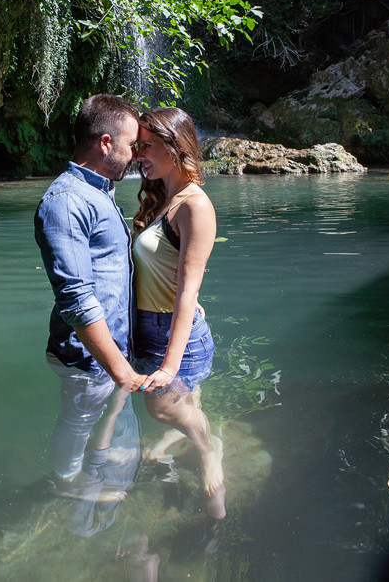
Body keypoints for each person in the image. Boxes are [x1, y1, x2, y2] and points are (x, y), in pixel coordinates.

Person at [35, 94, 147, 498]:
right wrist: (122, 372)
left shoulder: (98, 192)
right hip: (89, 361)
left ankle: (90, 485)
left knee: (97, 429)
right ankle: (65, 488)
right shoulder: (67, 202)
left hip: (108, 356)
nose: (136, 154)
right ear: (105, 143)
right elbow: (77, 301)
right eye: (132, 144)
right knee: (79, 423)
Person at [132, 106, 225, 519]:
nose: (138, 154)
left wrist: (169, 367)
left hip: (174, 332)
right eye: (136, 146)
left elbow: (189, 291)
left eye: (147, 146)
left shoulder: (195, 205)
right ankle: (182, 437)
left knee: (162, 405)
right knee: (184, 401)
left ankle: (210, 449)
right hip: (151, 325)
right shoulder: (164, 199)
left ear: (176, 145)